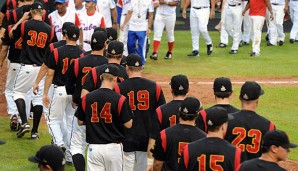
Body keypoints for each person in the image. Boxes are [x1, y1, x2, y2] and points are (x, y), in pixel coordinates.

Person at [10, 2, 54, 138]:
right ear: (43, 13)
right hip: (41, 68)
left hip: (27, 66)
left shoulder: (25, 25)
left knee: (18, 93)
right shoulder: (50, 29)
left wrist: (22, 19)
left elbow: (12, 34)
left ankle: (24, 122)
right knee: (38, 99)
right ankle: (34, 132)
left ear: (31, 11)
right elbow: (52, 48)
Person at [114, 54, 166, 171]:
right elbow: (161, 113)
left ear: (127, 67)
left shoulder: (119, 88)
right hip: (147, 137)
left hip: (126, 136)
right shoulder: (155, 87)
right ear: (142, 67)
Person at [65, 31, 108, 171]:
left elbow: (69, 85)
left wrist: (75, 98)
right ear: (105, 45)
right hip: (105, 111)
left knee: (77, 146)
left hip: (83, 108)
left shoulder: (79, 61)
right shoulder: (109, 65)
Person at [77, 64, 133, 171]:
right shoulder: (120, 99)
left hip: (94, 148)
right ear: (115, 79)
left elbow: (80, 121)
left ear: (101, 77)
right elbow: (128, 124)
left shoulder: (86, 98)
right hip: (113, 148)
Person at [42, 25, 84, 164]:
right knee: (70, 122)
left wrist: (45, 93)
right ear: (78, 37)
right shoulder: (82, 53)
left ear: (65, 36)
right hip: (74, 92)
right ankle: (70, 154)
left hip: (59, 89)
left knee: (53, 120)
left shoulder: (57, 51)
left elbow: (50, 74)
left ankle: (59, 144)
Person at [0, 0, 35, 131]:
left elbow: (4, 47)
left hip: (14, 61)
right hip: (29, 64)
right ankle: (23, 120)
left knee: (10, 90)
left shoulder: (12, 26)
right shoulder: (35, 28)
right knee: (26, 92)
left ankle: (13, 114)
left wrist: (0, 62)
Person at [151, 97, 206, 171]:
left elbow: (157, 164)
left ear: (179, 112)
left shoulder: (164, 134)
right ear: (197, 115)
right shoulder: (204, 137)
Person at [225, 81, 275, 161]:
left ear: (240, 98)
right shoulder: (268, 125)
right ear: (257, 100)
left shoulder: (226, 121)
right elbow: (271, 157)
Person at [120, 0, 154, 65]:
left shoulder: (149, 1)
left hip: (142, 26)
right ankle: (132, 60)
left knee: (141, 46)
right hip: (132, 26)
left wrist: (149, 27)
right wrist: (124, 24)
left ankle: (141, 62)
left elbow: (151, 15)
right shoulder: (132, 1)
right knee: (130, 44)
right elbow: (129, 12)